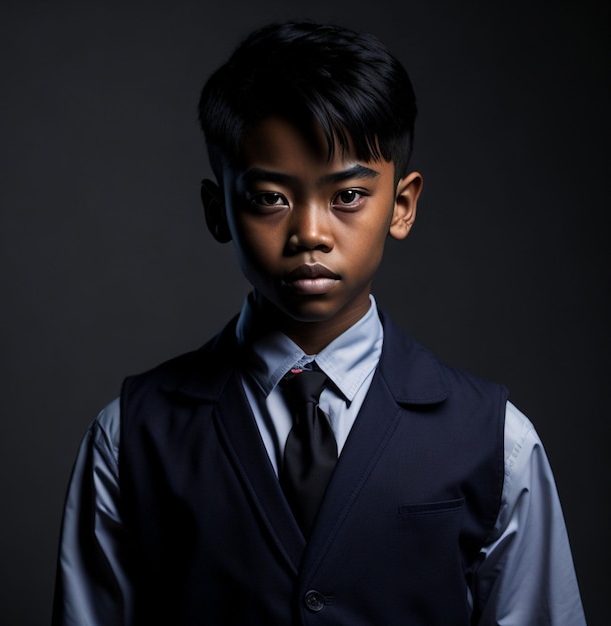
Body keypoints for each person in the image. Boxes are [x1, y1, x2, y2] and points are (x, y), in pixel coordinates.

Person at [52, 21, 586, 625]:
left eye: (348, 196)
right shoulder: (129, 437)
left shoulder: (499, 444)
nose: (310, 233)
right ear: (217, 209)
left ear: (402, 206)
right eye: (270, 198)